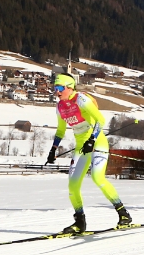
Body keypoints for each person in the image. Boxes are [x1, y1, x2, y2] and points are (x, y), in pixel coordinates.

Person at [46, 73, 132, 234]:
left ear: (69, 87)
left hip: (97, 142)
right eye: (54, 88)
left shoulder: (81, 100)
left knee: (97, 178)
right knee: (72, 186)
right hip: (81, 146)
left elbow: (100, 120)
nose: (56, 92)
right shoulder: (59, 107)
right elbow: (60, 130)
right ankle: (79, 222)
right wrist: (53, 149)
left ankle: (123, 214)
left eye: (59, 88)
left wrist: (92, 139)